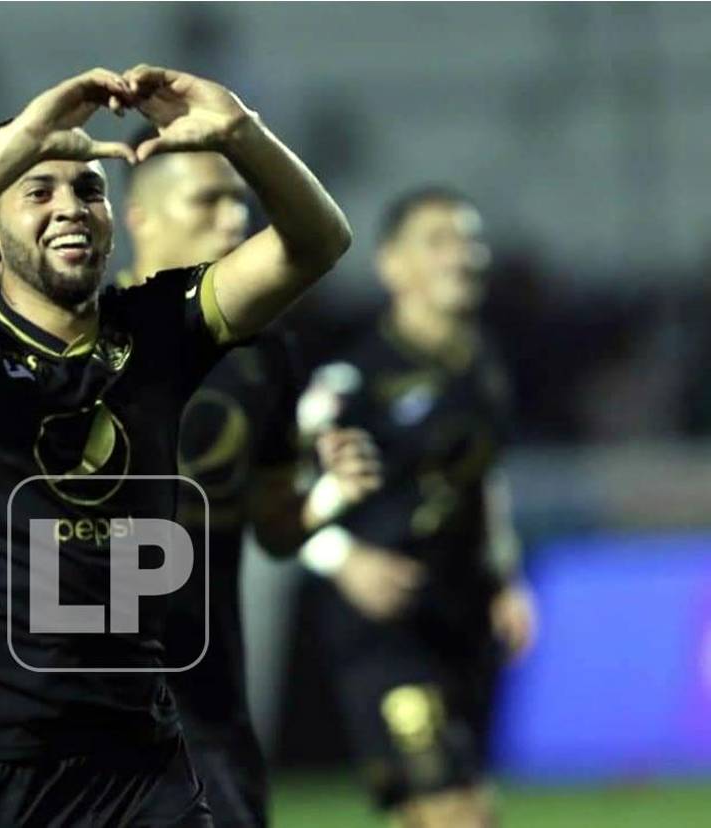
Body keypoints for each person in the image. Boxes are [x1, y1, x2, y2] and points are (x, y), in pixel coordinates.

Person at [0, 65, 351, 826]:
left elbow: (318, 243)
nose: (70, 208)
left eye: (88, 190)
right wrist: (17, 142)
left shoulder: (160, 328)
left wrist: (242, 131)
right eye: (37, 192)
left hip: (137, 766)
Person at [120, 129, 381, 826]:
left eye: (238, 201)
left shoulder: (263, 356)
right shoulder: (77, 341)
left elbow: (273, 528)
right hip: (100, 703)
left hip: (211, 700)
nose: (232, 218)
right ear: (139, 216)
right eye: (207, 201)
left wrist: (329, 495)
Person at [289, 187, 537, 827]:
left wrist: (506, 580)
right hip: (385, 631)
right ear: (392, 264)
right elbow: (284, 487)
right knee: (457, 812)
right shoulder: (354, 379)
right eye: (438, 241)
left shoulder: (482, 364)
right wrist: (344, 558)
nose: (461, 256)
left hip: (459, 618)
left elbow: (485, 479)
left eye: (469, 241)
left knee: (438, 811)